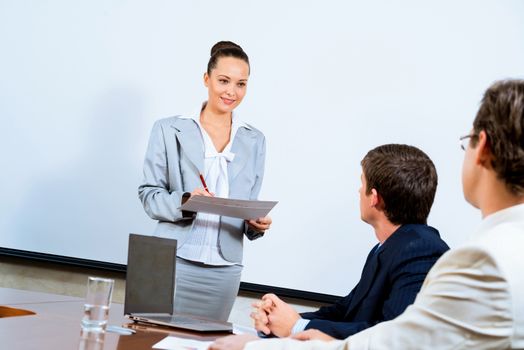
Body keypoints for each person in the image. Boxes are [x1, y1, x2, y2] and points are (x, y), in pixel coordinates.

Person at [211, 79, 524, 349]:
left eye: (466, 143)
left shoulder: (474, 259)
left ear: (482, 147)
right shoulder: (388, 249)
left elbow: (390, 341)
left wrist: (285, 333)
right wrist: (289, 320)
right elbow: (350, 311)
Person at [209, 143, 450, 349]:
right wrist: (279, 320)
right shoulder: (391, 247)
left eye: (362, 183)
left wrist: (295, 326)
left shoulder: (420, 251)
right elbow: (346, 310)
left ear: (374, 197)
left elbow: (389, 335)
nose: (358, 191)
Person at [138, 41, 271, 322]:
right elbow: (149, 195)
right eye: (224, 81)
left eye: (241, 84)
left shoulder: (255, 140)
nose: (231, 92)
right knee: (142, 341)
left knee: (204, 345)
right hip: (163, 257)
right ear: (206, 79)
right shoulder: (167, 128)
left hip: (224, 268)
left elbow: (247, 204)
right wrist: (187, 202)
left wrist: (254, 223)